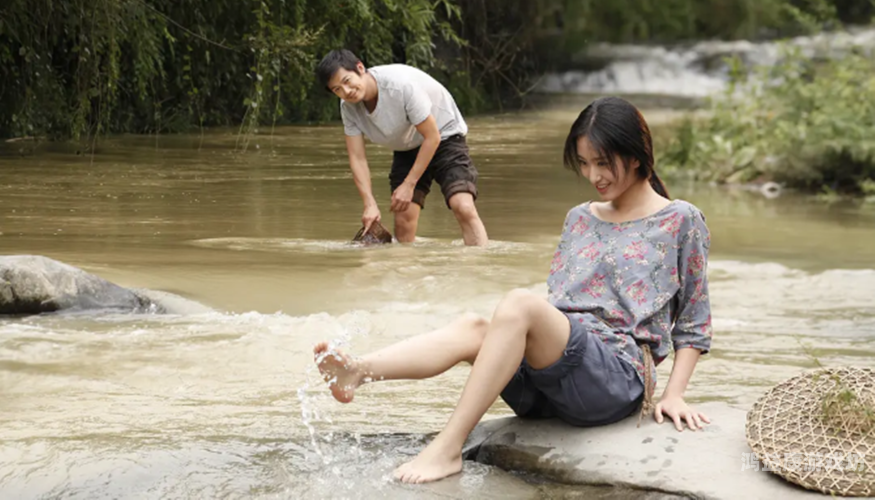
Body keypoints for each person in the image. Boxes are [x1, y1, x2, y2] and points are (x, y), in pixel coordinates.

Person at [312, 96, 714, 484]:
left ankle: (447, 448)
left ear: (638, 153)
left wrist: (674, 395)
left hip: (615, 380)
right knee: (474, 327)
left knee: (521, 304)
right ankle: (357, 373)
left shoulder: (680, 220)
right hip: (553, 382)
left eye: (604, 163)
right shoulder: (579, 217)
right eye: (585, 164)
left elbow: (694, 322)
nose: (594, 176)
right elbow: (563, 309)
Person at [315, 49, 489, 246]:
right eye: (337, 89)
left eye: (347, 81)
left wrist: (409, 184)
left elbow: (432, 137)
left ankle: (479, 269)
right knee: (403, 220)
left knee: (463, 206)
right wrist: (369, 204)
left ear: (360, 68)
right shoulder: (348, 108)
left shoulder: (400, 86)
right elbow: (357, 157)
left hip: (444, 135)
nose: (346, 92)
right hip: (407, 146)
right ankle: (406, 273)